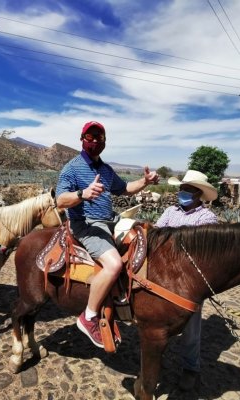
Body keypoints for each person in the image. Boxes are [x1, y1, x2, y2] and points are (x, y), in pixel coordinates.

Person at [56, 121, 159, 348]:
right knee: (113, 264)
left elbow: (124, 188)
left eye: (99, 138)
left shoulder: (105, 169)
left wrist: (145, 181)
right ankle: (89, 316)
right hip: (86, 224)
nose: (94, 142)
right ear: (82, 139)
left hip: (111, 220)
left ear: (104, 142)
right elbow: (60, 200)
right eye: (90, 137)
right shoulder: (71, 168)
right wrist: (83, 193)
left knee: (144, 236)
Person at [155, 169, 218, 391]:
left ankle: (191, 368)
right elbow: (156, 233)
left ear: (199, 194)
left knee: (191, 325)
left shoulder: (206, 218)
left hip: (189, 278)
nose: (182, 192)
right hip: (162, 273)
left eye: (188, 190)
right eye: (182, 188)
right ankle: (156, 359)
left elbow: (201, 249)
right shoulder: (170, 211)